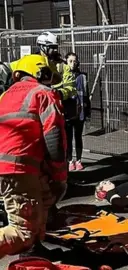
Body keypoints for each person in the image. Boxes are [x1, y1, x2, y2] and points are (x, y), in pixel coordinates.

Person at [0, 54, 68, 259]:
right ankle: (29, 244)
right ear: (42, 73)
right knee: (22, 232)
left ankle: (33, 254)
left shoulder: (5, 96)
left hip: (9, 168)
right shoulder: (43, 93)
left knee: (42, 200)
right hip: (20, 169)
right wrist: (60, 176)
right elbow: (54, 138)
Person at [64, 52, 90, 171]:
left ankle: (79, 160)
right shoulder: (63, 76)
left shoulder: (82, 77)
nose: (73, 64)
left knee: (78, 137)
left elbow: (86, 95)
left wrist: (87, 111)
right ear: (66, 62)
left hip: (80, 111)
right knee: (68, 138)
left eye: (75, 61)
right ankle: (70, 160)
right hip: (67, 112)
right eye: (70, 61)